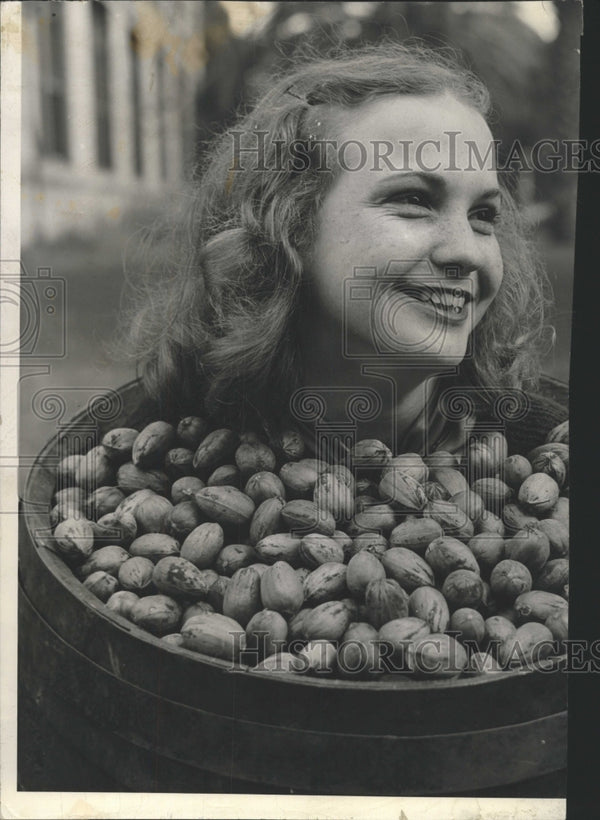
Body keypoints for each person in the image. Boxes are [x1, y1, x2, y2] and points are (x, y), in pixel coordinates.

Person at [123, 43, 567, 463]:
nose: (466, 252)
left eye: (483, 215)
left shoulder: (554, 450)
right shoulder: (144, 459)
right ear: (288, 224)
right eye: (414, 200)